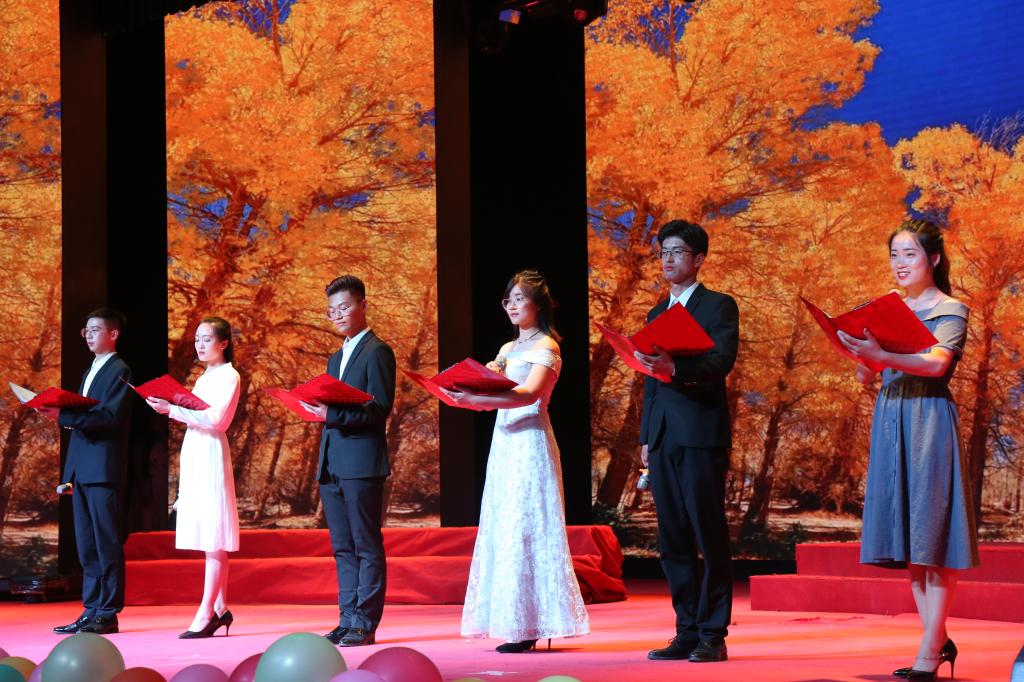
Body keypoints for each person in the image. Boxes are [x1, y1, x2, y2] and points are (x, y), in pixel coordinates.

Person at [838, 219, 977, 680]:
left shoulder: (951, 308)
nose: (900, 263)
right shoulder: (888, 309)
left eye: (909, 254)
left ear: (933, 258)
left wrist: (882, 357)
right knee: (910, 541)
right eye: (894, 255)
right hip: (890, 417)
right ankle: (936, 640)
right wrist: (863, 356)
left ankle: (929, 650)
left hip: (928, 420)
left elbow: (936, 365)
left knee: (932, 536)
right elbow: (868, 375)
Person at [446, 270, 590, 653]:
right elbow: (496, 384)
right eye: (508, 299)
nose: (511, 305)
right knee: (505, 527)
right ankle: (512, 620)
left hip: (529, 441)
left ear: (538, 305)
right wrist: (474, 385)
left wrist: (478, 401)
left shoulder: (547, 345)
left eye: (520, 298)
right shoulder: (507, 348)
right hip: (504, 443)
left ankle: (532, 623)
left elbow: (528, 394)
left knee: (527, 527)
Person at [633, 220, 739, 663]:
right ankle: (686, 630)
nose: (668, 259)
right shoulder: (657, 313)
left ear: (698, 259)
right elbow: (649, 380)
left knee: (706, 532)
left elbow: (721, 361)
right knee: (672, 537)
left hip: (699, 432)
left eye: (677, 252)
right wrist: (645, 436)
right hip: (662, 436)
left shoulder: (718, 305)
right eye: (663, 252)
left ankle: (713, 633)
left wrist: (675, 367)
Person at [304, 275, 396, 648]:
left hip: (361, 463)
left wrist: (331, 414)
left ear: (363, 306)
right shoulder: (335, 357)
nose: (338, 315)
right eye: (332, 311)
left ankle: (365, 622)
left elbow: (379, 409)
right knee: (342, 547)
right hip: (332, 463)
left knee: (365, 544)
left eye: (344, 307)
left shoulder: (377, 351)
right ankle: (346, 619)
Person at [146, 317, 241, 639]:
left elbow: (216, 420)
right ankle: (220, 608)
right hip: (196, 449)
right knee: (210, 538)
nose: (200, 345)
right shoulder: (205, 377)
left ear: (223, 343)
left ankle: (205, 613)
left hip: (211, 451)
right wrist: (171, 405)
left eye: (207, 339)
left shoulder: (229, 375)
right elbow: (198, 417)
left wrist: (171, 409)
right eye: (197, 339)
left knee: (214, 537)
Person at [48, 308, 134, 635]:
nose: (89, 335)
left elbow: (110, 417)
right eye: (86, 330)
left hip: (103, 468)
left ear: (113, 334)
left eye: (96, 329)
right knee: (86, 544)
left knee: (106, 542)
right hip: (83, 468)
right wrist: (68, 474)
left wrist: (63, 416)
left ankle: (108, 612)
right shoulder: (90, 370)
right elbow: (83, 421)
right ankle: (91, 608)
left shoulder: (120, 369)